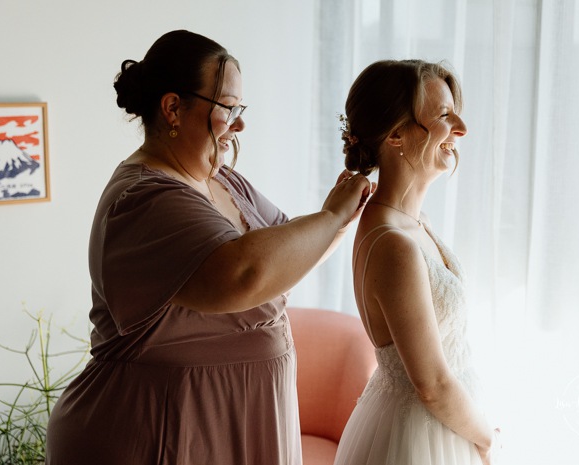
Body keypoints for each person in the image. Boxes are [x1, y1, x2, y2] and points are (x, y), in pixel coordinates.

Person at [45, 30, 371, 465]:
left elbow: (287, 257)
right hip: (157, 430)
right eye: (228, 108)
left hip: (239, 422)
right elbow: (242, 276)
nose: (240, 123)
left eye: (241, 108)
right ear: (173, 107)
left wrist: (347, 214)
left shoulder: (225, 181)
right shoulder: (143, 198)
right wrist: (330, 217)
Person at [332, 60, 501, 465]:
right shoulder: (393, 245)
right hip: (417, 440)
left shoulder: (412, 222)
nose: (461, 128)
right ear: (395, 135)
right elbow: (433, 384)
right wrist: (487, 438)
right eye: (444, 116)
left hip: (443, 425)